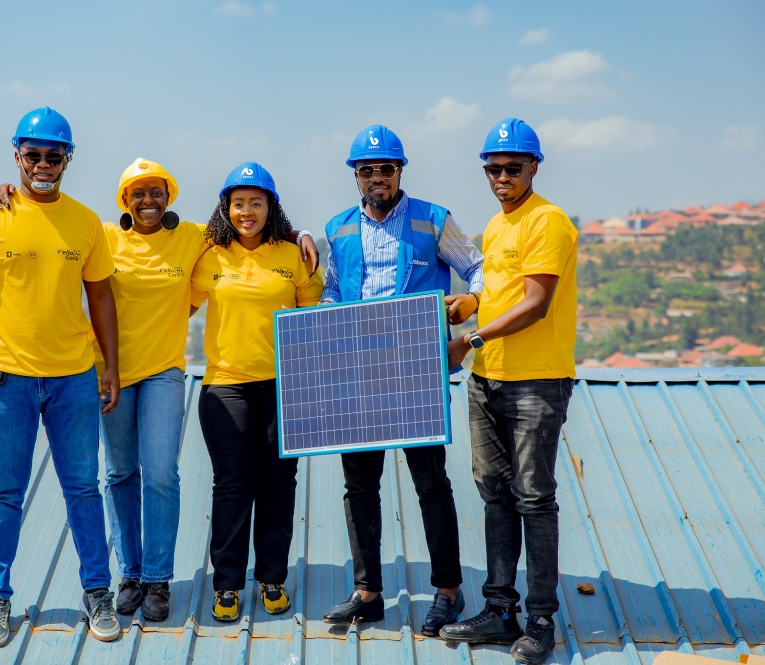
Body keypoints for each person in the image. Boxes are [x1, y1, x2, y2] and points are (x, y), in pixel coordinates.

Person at [0, 159, 318, 622]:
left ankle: (158, 580)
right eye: (137, 193)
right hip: (111, 372)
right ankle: (131, 576)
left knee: (161, 474)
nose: (148, 200)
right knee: (120, 473)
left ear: (168, 197)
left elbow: (252, 227)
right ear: (124, 199)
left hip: (164, 372)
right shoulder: (102, 234)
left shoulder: (193, 238)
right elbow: (51, 226)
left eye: (156, 192)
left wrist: (300, 233)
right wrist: (13, 193)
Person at [0, 107, 123, 647]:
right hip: (6, 380)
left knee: (84, 489)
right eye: (33, 155)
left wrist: (110, 366)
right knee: (4, 492)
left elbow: (101, 298)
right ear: (17, 156)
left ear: (68, 159)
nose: (43, 164)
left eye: (54, 155)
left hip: (74, 378)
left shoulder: (86, 222)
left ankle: (98, 593)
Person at [319, 125, 484, 637]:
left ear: (399, 171)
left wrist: (472, 301)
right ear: (355, 175)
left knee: (430, 483)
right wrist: (322, 315)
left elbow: (477, 266)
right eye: (367, 169)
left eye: (386, 168)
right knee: (359, 485)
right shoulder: (337, 228)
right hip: (358, 372)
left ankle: (448, 592)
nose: (377, 177)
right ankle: (368, 594)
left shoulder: (433, 220)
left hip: (416, 369)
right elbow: (332, 290)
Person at [439, 119, 577, 665]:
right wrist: (472, 304)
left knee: (534, 498)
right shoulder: (497, 226)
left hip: (536, 381)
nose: (501, 177)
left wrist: (469, 339)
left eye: (512, 168)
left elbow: (536, 304)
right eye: (492, 168)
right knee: (495, 494)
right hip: (488, 379)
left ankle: (540, 620)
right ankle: (500, 610)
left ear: (533, 167)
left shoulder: (547, 221)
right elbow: (501, 291)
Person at [191, 162, 323, 622]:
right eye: (238, 203)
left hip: (283, 387)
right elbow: (177, 303)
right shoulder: (208, 255)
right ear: (225, 208)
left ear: (272, 208)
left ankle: (272, 578)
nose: (246, 212)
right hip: (225, 385)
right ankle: (227, 585)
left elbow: (313, 320)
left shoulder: (294, 255)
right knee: (232, 485)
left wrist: (303, 234)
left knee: (279, 483)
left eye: (256, 203)